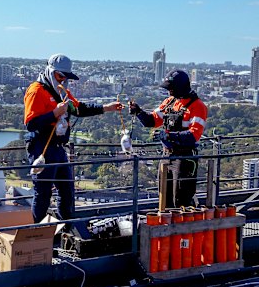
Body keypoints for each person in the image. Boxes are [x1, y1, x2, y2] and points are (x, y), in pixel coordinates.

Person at [24, 54, 123, 223]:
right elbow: (31, 124)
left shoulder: (62, 92)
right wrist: (54, 113)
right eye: (59, 76)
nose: (62, 80)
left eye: (65, 77)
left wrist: (106, 108)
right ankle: (34, 236)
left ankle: (66, 227)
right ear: (50, 72)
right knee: (43, 193)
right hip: (41, 147)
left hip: (57, 148)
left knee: (67, 190)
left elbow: (79, 109)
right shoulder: (36, 91)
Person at [129, 69, 207, 208]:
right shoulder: (170, 102)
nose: (169, 91)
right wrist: (138, 112)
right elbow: (152, 121)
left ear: (180, 87)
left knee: (180, 198)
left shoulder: (197, 106)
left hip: (184, 158)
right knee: (164, 197)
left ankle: (183, 226)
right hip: (167, 155)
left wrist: (168, 135)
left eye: (171, 88)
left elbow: (193, 136)